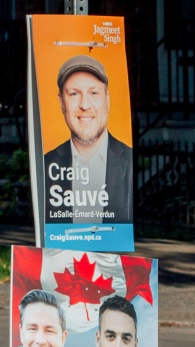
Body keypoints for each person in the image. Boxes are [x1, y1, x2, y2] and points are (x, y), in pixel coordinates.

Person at [39, 54, 134, 230]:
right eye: (74, 94)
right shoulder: (45, 165)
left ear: (107, 99)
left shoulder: (130, 161)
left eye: (94, 93)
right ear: (61, 102)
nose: (84, 105)